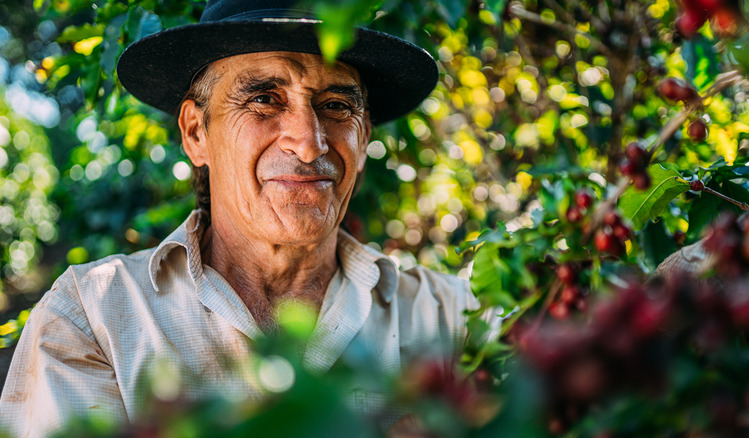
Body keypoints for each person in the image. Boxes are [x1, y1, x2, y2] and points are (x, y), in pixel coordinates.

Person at [0, 0, 483, 436]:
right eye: (263, 100)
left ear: (365, 134)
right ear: (195, 132)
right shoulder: (94, 318)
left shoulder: (452, 321)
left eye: (336, 106)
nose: (310, 142)